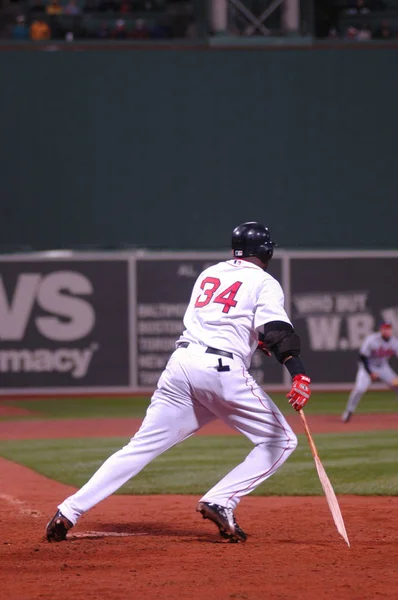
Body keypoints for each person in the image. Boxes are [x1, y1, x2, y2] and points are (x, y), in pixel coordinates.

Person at [46, 221, 311, 544]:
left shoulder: (209, 274)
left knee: (139, 448)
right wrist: (297, 371)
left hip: (182, 365)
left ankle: (69, 510)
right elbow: (277, 331)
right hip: (219, 370)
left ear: (234, 250)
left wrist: (256, 341)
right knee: (281, 441)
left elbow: (223, 320)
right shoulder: (264, 282)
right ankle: (221, 499)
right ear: (267, 251)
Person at [342, 322, 398, 423]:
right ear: (381, 330)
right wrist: (370, 372)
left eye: (389, 329)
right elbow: (362, 357)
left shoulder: (394, 342)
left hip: (383, 367)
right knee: (359, 389)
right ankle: (348, 412)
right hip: (367, 367)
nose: (387, 331)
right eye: (385, 329)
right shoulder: (372, 339)